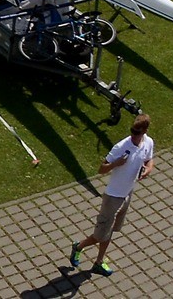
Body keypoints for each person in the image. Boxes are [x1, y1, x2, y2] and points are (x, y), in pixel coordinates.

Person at [68, 114, 154, 276]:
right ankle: (78, 246)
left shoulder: (148, 142)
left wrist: (148, 169)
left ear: (145, 131)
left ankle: (99, 262)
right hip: (112, 197)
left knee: (110, 230)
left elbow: (149, 160)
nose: (133, 135)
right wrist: (116, 163)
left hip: (127, 193)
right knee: (100, 235)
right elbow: (101, 169)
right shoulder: (121, 147)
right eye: (132, 131)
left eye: (137, 132)